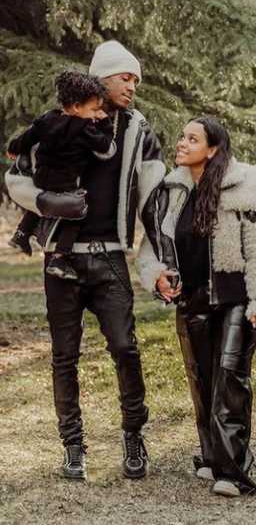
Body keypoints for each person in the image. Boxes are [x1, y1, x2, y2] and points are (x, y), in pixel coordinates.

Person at [4, 40, 163, 481]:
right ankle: (73, 448)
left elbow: (153, 202)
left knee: (125, 350)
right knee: (64, 357)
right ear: (102, 78)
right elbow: (14, 176)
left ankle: (134, 437)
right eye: (125, 77)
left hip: (111, 259)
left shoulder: (138, 130)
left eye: (136, 79)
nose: (132, 86)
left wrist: (159, 263)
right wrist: (46, 202)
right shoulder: (59, 121)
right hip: (61, 260)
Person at [137, 116, 256, 497]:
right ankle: (213, 457)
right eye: (182, 136)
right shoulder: (171, 189)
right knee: (202, 383)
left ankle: (234, 473)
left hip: (235, 299)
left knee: (229, 381)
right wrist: (156, 275)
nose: (182, 143)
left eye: (192, 138)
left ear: (213, 148)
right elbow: (152, 245)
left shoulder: (247, 185)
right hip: (191, 300)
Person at [7, 69, 116, 280]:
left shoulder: (47, 119)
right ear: (76, 107)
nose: (96, 114)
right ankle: (60, 258)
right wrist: (105, 124)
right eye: (94, 109)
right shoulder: (84, 128)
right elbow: (105, 146)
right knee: (76, 214)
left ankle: (21, 234)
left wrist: (14, 147)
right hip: (66, 181)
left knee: (43, 203)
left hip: (42, 177)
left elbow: (27, 137)